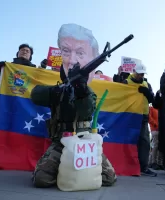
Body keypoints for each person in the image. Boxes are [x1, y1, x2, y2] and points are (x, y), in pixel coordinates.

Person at [30, 23, 116, 188]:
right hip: (61, 141)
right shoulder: (58, 89)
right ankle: (66, 171)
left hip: (85, 141)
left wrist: (81, 89)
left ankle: (73, 171)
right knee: (42, 179)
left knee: (108, 178)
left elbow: (86, 110)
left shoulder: (88, 92)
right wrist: (60, 90)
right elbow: (35, 95)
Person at [123, 63, 157, 177]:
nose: (141, 76)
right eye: (139, 74)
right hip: (129, 115)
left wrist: (148, 93)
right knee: (129, 141)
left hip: (142, 116)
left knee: (144, 142)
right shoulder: (126, 82)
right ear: (134, 72)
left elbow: (153, 100)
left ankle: (144, 166)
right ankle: (128, 164)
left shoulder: (147, 84)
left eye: (142, 74)